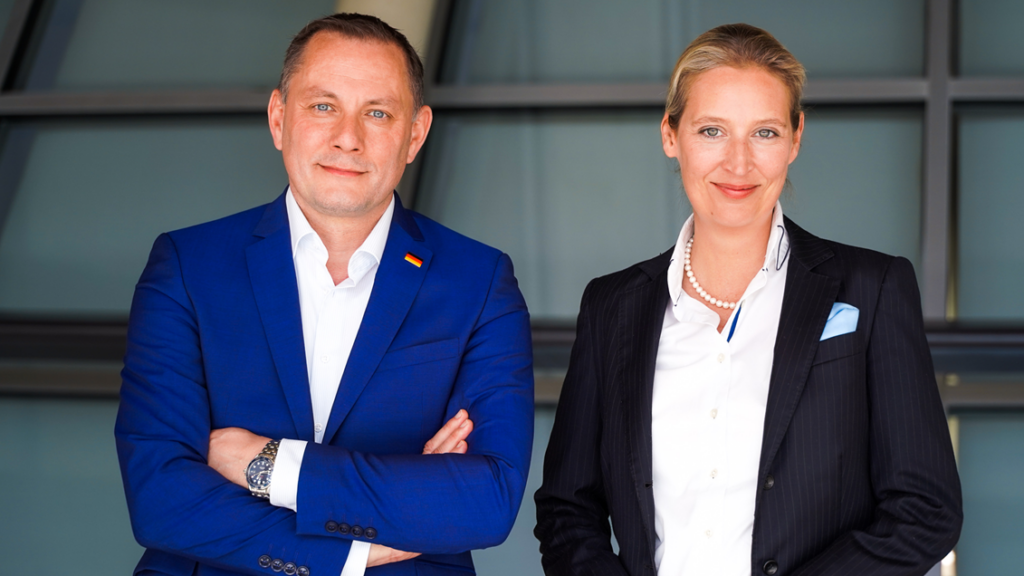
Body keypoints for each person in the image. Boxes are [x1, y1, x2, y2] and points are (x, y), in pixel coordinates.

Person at [534, 23, 961, 576]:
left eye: (764, 132)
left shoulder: (873, 289)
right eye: (712, 131)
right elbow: (567, 509)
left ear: (796, 138)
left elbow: (925, 510)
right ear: (670, 134)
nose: (738, 163)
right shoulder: (611, 308)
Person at [115, 13, 534, 576]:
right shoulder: (188, 266)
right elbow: (160, 495)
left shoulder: (479, 282)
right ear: (278, 118)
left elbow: (486, 500)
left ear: (415, 134)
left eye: (377, 113)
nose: (348, 137)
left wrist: (270, 465)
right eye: (322, 106)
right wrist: (356, 547)